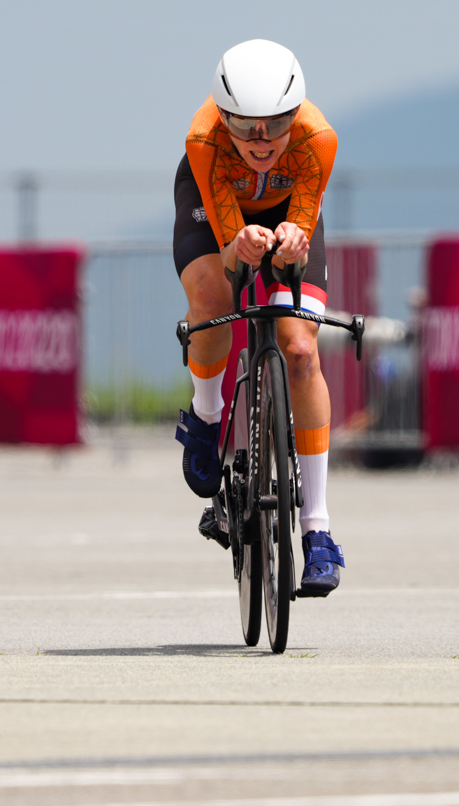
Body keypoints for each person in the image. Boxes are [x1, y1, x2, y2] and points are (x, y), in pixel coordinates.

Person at [173, 39, 346, 596]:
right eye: (246, 127)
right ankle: (206, 414)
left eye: (276, 124)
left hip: (289, 205)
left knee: (300, 349)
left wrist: (292, 242)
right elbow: (227, 257)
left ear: (297, 114)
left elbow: (300, 226)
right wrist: (238, 244)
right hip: (219, 209)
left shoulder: (317, 139)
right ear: (223, 117)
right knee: (213, 298)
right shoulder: (205, 139)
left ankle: (317, 528)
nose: (262, 140)